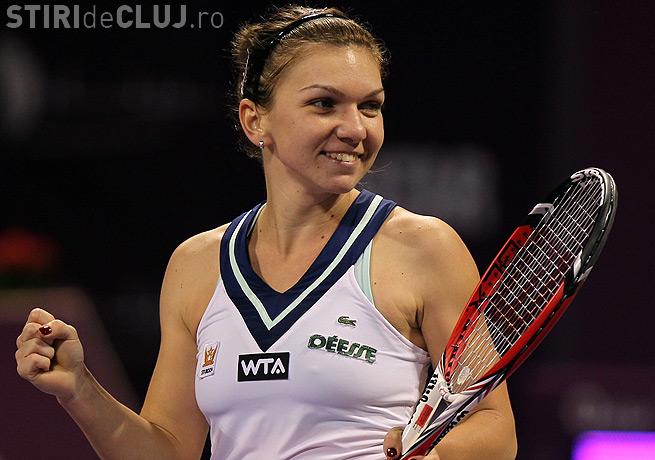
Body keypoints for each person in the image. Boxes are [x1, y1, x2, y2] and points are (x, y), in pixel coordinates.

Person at [15, 5, 517, 459]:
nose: (355, 129)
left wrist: (434, 457)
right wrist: (80, 389)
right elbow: (168, 451)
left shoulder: (424, 248)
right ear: (255, 121)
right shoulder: (196, 265)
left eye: (370, 106)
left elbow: (495, 429)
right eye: (324, 104)